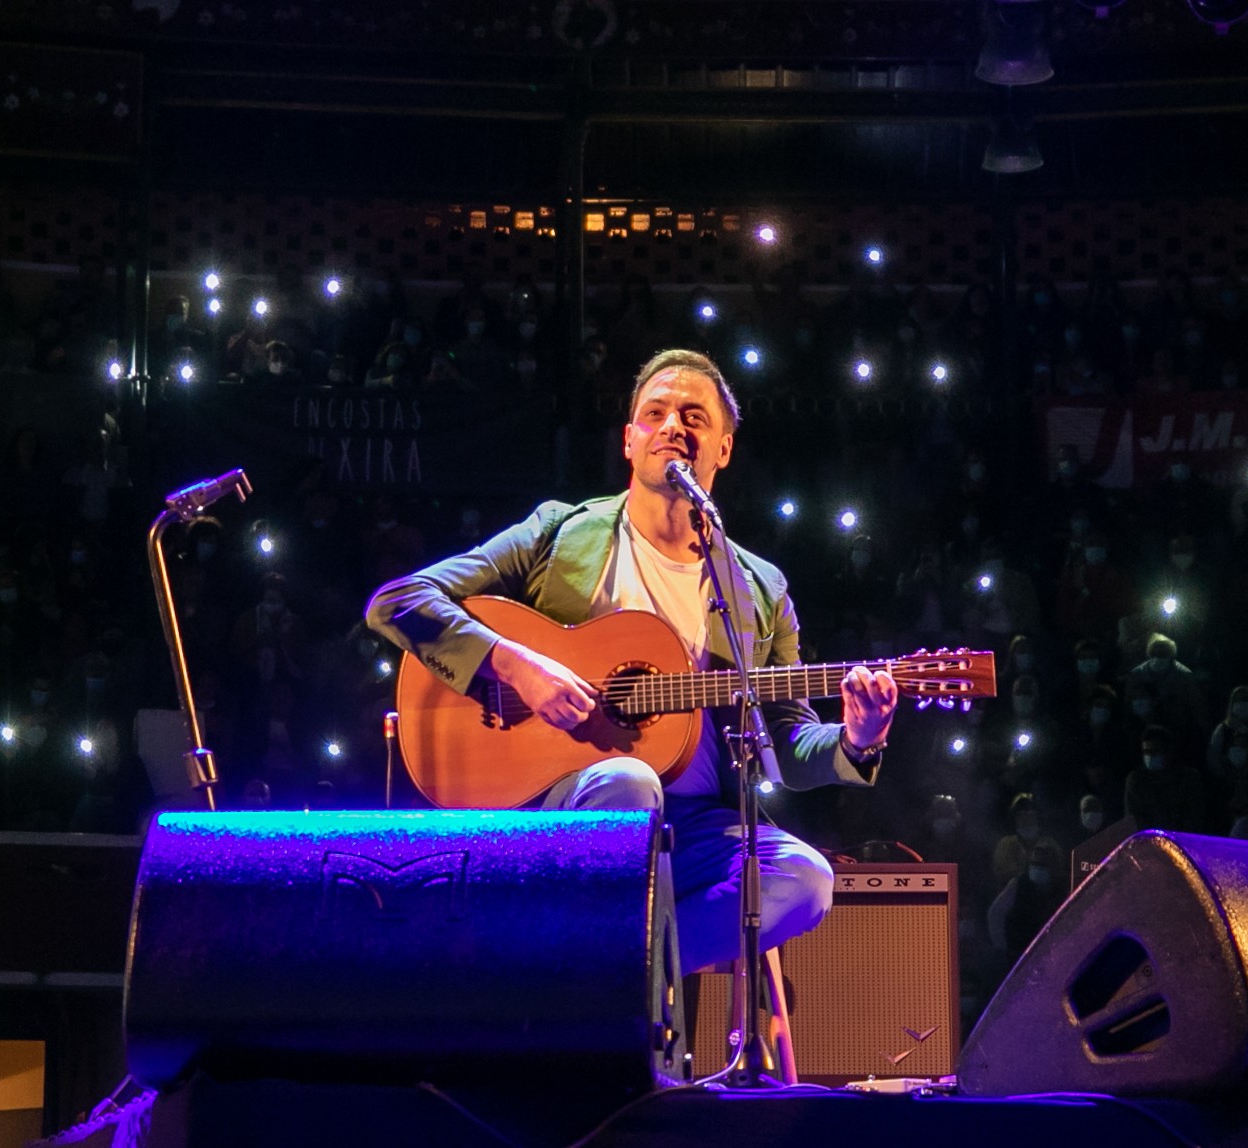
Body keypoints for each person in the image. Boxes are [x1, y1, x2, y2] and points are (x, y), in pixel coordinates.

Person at [366, 349, 899, 975]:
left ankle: (612, 973)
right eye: (655, 413)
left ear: (722, 449)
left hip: (698, 824)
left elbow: (783, 740)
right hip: (559, 799)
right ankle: (614, 976)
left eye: (694, 416)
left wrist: (857, 740)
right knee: (629, 781)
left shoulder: (759, 589)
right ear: (629, 439)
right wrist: (518, 668)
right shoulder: (557, 534)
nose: (673, 425)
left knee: (804, 878)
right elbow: (397, 601)